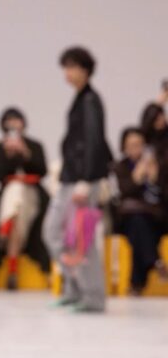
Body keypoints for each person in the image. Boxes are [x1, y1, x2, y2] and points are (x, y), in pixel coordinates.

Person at [43, 46, 113, 312]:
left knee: (82, 238)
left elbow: (95, 143)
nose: (68, 73)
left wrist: (86, 180)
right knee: (54, 233)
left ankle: (93, 297)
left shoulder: (91, 101)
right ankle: (73, 289)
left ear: (85, 69)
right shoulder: (80, 99)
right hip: (69, 178)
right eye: (65, 67)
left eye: (72, 67)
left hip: (83, 180)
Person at [0, 108, 50, 289]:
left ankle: (4, 229)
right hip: (10, 193)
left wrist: (25, 153)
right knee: (15, 198)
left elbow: (42, 170)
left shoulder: (34, 146)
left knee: (17, 194)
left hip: (32, 193)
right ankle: (12, 269)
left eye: (16, 119)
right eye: (9, 120)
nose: (13, 123)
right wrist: (9, 155)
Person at [112, 127, 168, 294]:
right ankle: (154, 261)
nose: (136, 148)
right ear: (124, 147)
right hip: (128, 219)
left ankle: (137, 283)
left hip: (156, 218)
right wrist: (136, 177)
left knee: (140, 232)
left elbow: (163, 196)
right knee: (138, 224)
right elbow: (123, 192)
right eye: (132, 145)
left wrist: (155, 178)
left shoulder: (158, 165)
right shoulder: (119, 167)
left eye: (139, 144)